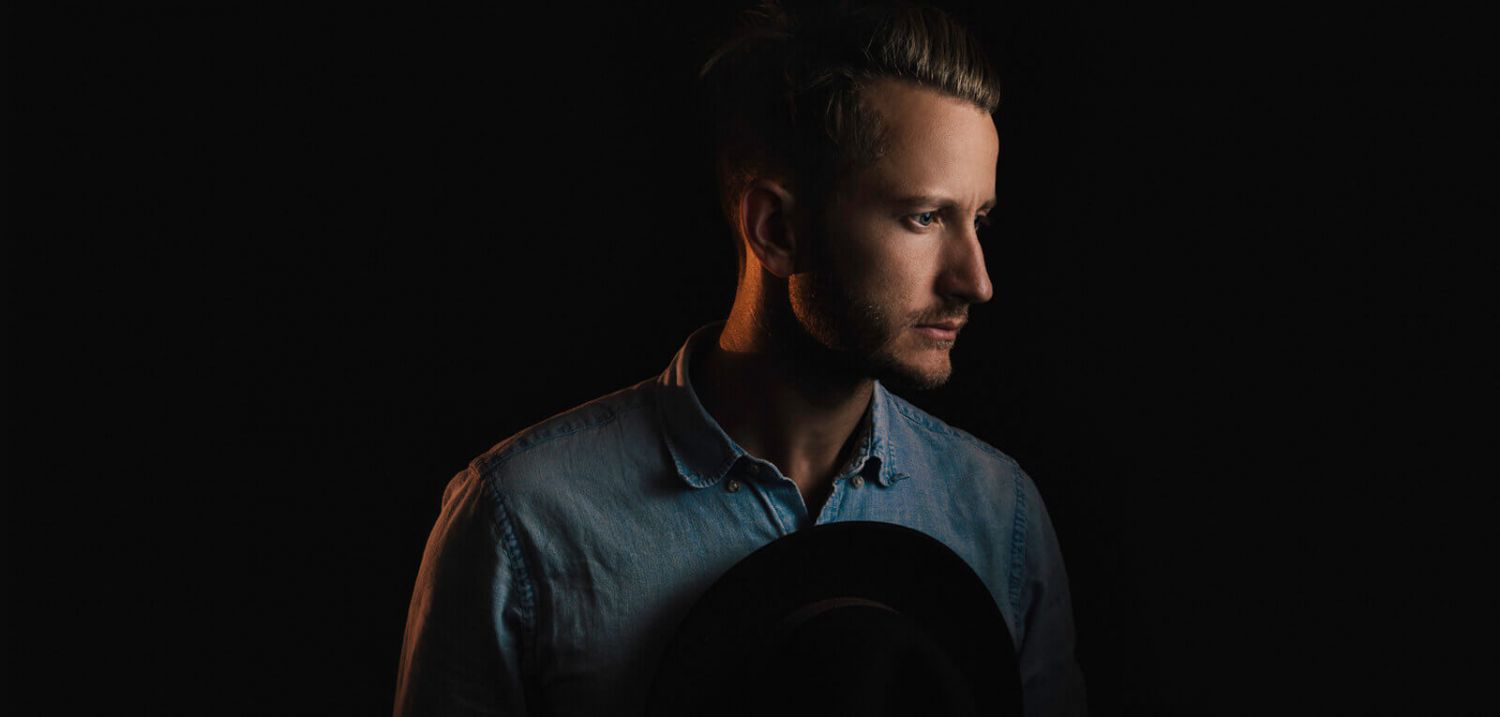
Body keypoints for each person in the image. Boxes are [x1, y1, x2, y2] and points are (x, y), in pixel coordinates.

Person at [394, 1, 1087, 715]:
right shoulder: (523, 520)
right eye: (925, 217)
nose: (976, 280)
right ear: (776, 228)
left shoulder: (999, 514)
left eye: (979, 220)